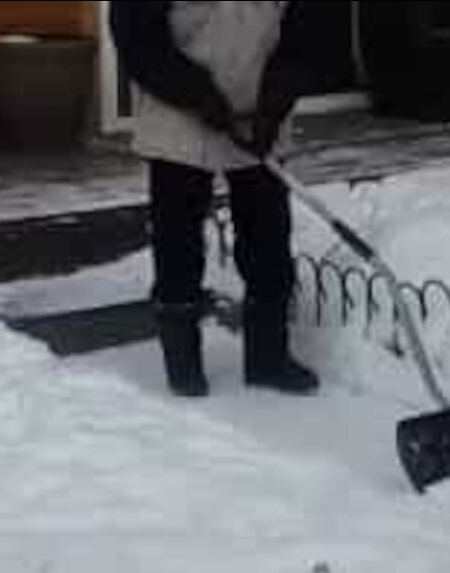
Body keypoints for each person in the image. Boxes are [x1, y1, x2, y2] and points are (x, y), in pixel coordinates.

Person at [110, 1, 318, 397]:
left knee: (268, 237)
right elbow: (137, 36)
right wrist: (197, 95)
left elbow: (309, 32)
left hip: (262, 105)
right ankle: (183, 361)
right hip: (178, 108)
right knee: (178, 239)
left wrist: (275, 104)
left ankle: (269, 358)